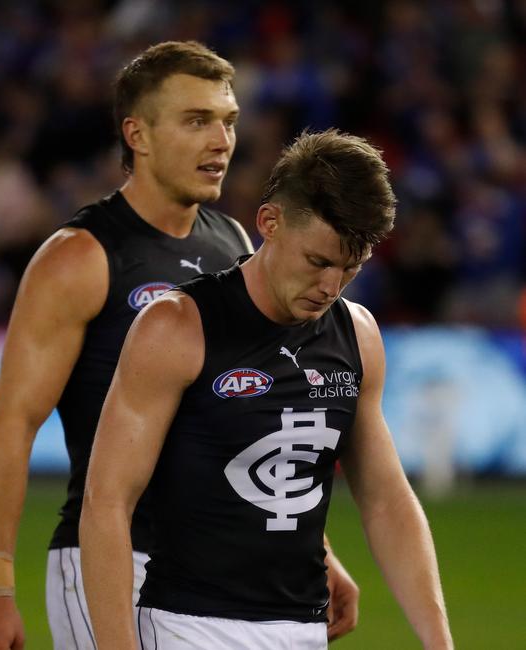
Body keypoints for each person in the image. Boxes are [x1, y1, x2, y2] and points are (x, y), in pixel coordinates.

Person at [0, 41, 359, 650]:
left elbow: (261, 416)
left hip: (217, 572)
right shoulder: (80, 257)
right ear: (137, 134)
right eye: (196, 121)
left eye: (227, 120)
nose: (221, 140)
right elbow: (12, 424)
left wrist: (316, 548)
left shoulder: (235, 244)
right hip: (109, 556)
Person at [79, 129, 454, 650]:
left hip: (305, 630)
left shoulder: (357, 335)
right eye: (319, 262)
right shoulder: (177, 327)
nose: (331, 286)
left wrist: (440, 641)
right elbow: (106, 501)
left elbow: (386, 500)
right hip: (190, 627)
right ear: (270, 222)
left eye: (350, 268)